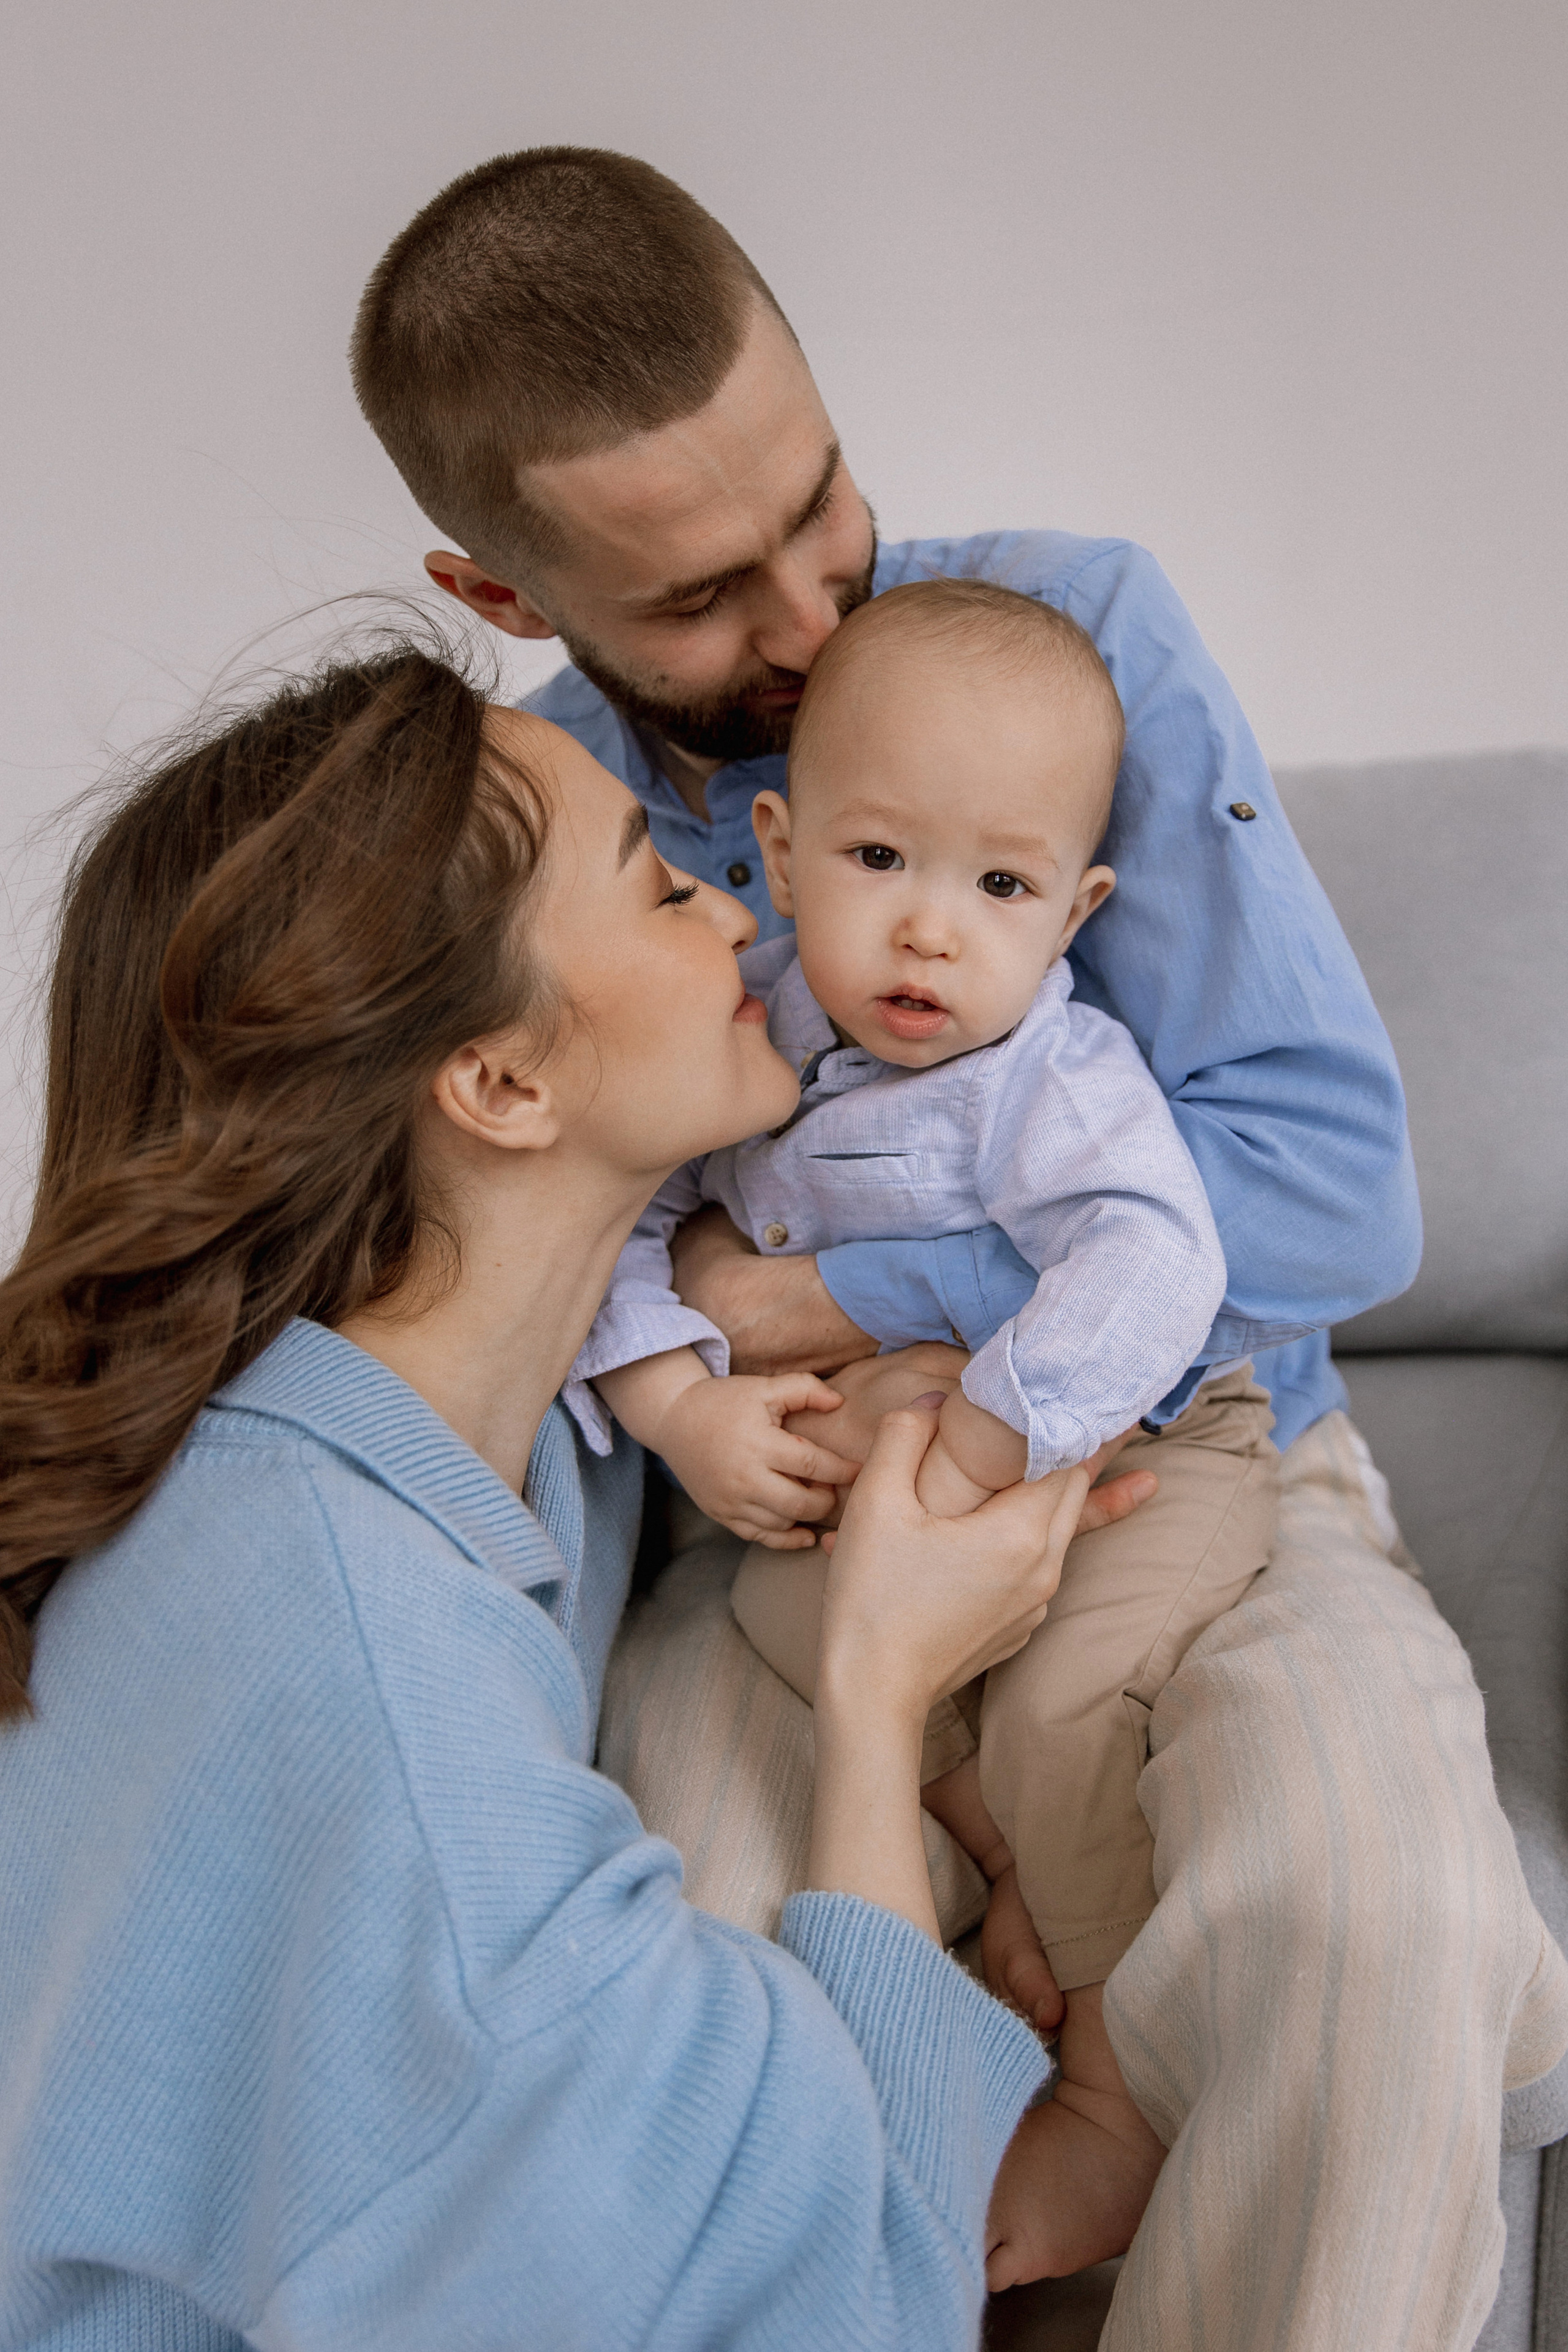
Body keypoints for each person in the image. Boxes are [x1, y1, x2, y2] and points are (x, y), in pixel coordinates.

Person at [350, 149, 1568, 2338]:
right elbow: (530, 1285)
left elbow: (1324, 1198)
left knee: (1379, 1920)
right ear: (510, 598)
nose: (818, 624)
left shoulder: (1073, 644)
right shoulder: (526, 829)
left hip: (1190, 1452)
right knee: (691, 1978)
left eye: (823, 498)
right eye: (709, 597)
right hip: (781, 1527)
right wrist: (672, 1407)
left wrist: (809, 1294)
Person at [0, 647, 1146, 2348]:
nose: (736, 906)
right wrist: (879, 1690)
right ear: (505, 1082)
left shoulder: (430, 1441)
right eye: (655, 882)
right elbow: (852, 2298)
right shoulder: (371, 1701)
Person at [575, 576, 1280, 2267]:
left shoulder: (1051, 1076)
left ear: (1073, 907)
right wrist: (678, 1410)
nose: (930, 931)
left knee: (1058, 1708)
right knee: (767, 1611)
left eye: (1002, 885)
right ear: (781, 841)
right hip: (895, 1478)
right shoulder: (758, 1037)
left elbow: (1154, 1265)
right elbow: (619, 1215)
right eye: (878, 860)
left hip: (1135, 1452)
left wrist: (977, 1445)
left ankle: (1107, 2090)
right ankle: (1014, 1866)